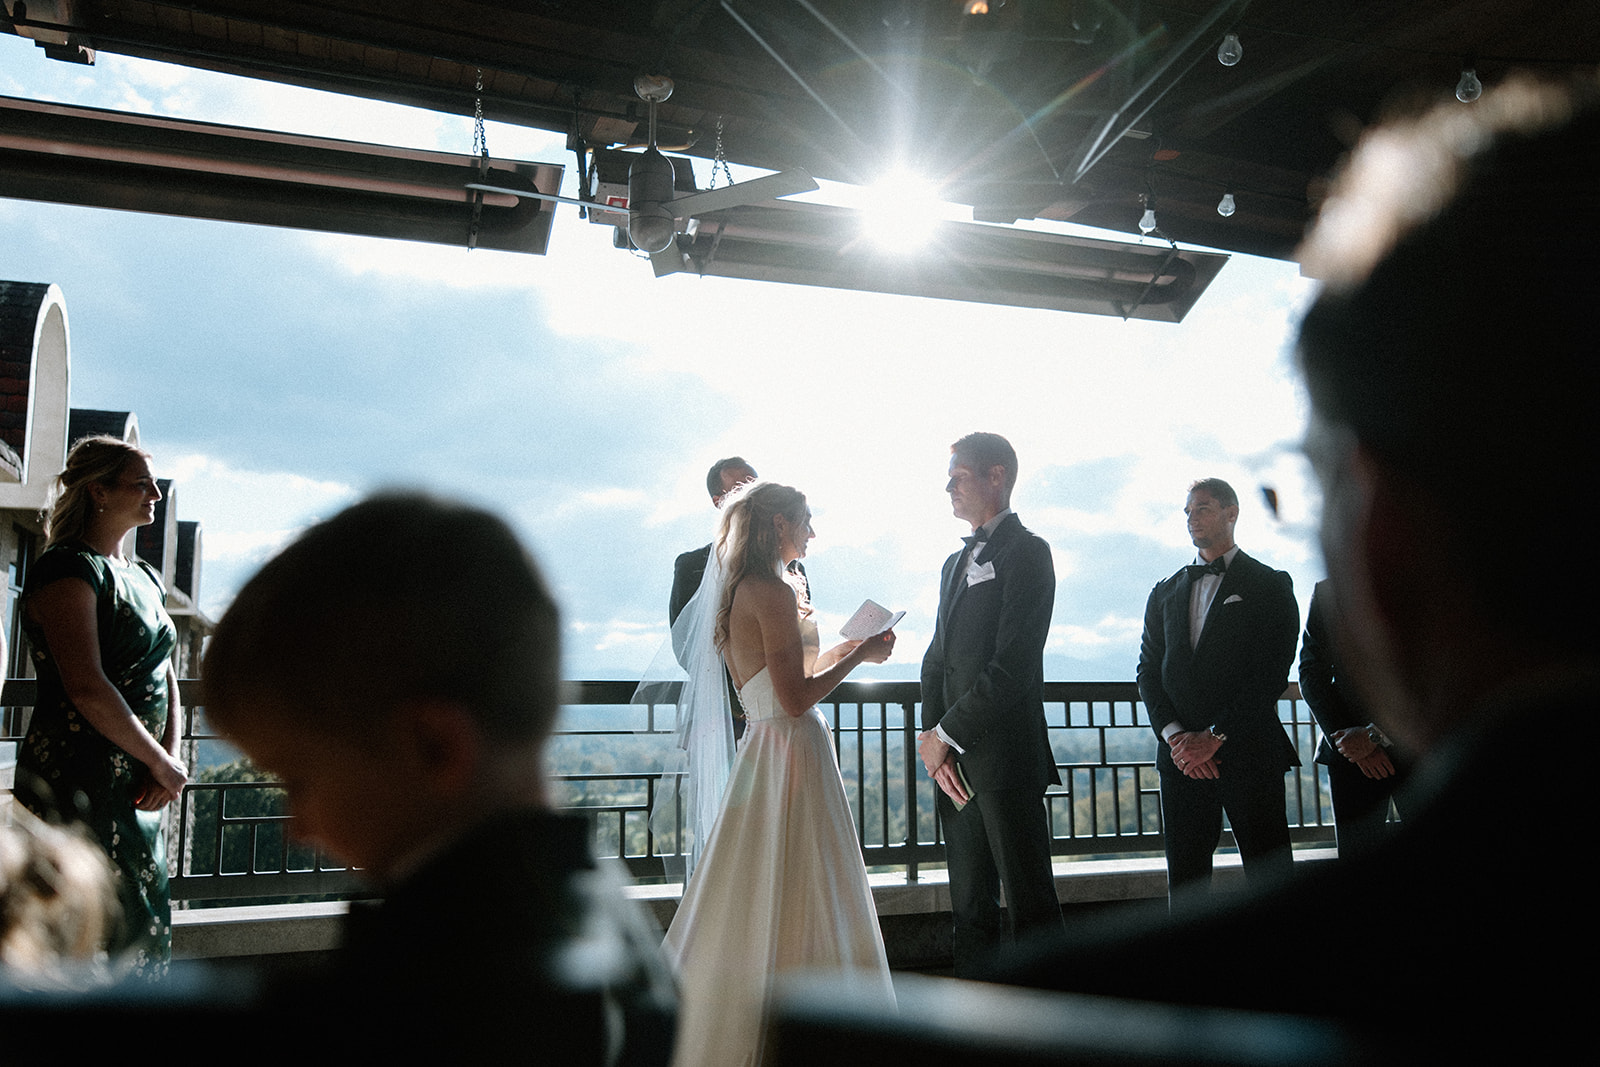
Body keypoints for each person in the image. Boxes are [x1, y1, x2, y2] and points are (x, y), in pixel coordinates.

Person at [996, 75, 1596, 1055]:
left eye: (1316, 486)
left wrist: (1221, 729)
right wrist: (1175, 727)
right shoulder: (1161, 590)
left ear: (1380, 533)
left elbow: (1280, 662)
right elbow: (1158, 665)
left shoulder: (1086, 1016)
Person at [200, 493, 674, 1063]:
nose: (295, 828)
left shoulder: (449, 981)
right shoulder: (598, 904)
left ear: (435, 748)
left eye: (297, 781)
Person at [664, 480, 895, 1067]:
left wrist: (850, 647)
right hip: (788, 745)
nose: (813, 533)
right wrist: (862, 660)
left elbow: (796, 672)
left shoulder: (758, 586)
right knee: (803, 875)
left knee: (766, 876)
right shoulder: (767, 589)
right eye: (806, 521)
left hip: (768, 746)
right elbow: (795, 698)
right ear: (777, 525)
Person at [13, 435, 186, 980]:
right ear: (99, 492)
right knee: (84, 920)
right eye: (142, 483)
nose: (155, 494)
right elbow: (86, 685)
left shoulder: (146, 577)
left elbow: (167, 674)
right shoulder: (68, 569)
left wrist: (170, 757)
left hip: (141, 781)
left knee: (140, 914)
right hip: (80, 777)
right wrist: (157, 761)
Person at [917, 432, 1062, 975]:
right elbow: (937, 658)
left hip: (1005, 761)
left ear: (996, 476)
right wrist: (931, 738)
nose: (947, 488)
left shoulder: (1029, 552)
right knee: (970, 907)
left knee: (1031, 906)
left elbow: (1014, 664)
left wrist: (947, 735)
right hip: (953, 766)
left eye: (957, 477)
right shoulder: (952, 565)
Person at [1137, 478, 1299, 901]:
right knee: (1186, 887)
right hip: (1181, 763)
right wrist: (1177, 739)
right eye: (1188, 511)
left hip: (1249, 754)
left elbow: (1270, 675)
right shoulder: (1165, 591)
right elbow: (1148, 672)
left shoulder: (1270, 584)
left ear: (1232, 513)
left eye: (1203, 508)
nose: (1192, 518)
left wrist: (1215, 737)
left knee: (1271, 878)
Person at [1298, 579, 1408, 858]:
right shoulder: (1327, 590)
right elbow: (1311, 671)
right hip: (1349, 756)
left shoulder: (1432, 575)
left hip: (1418, 746)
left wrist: (1374, 735)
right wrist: (1347, 740)